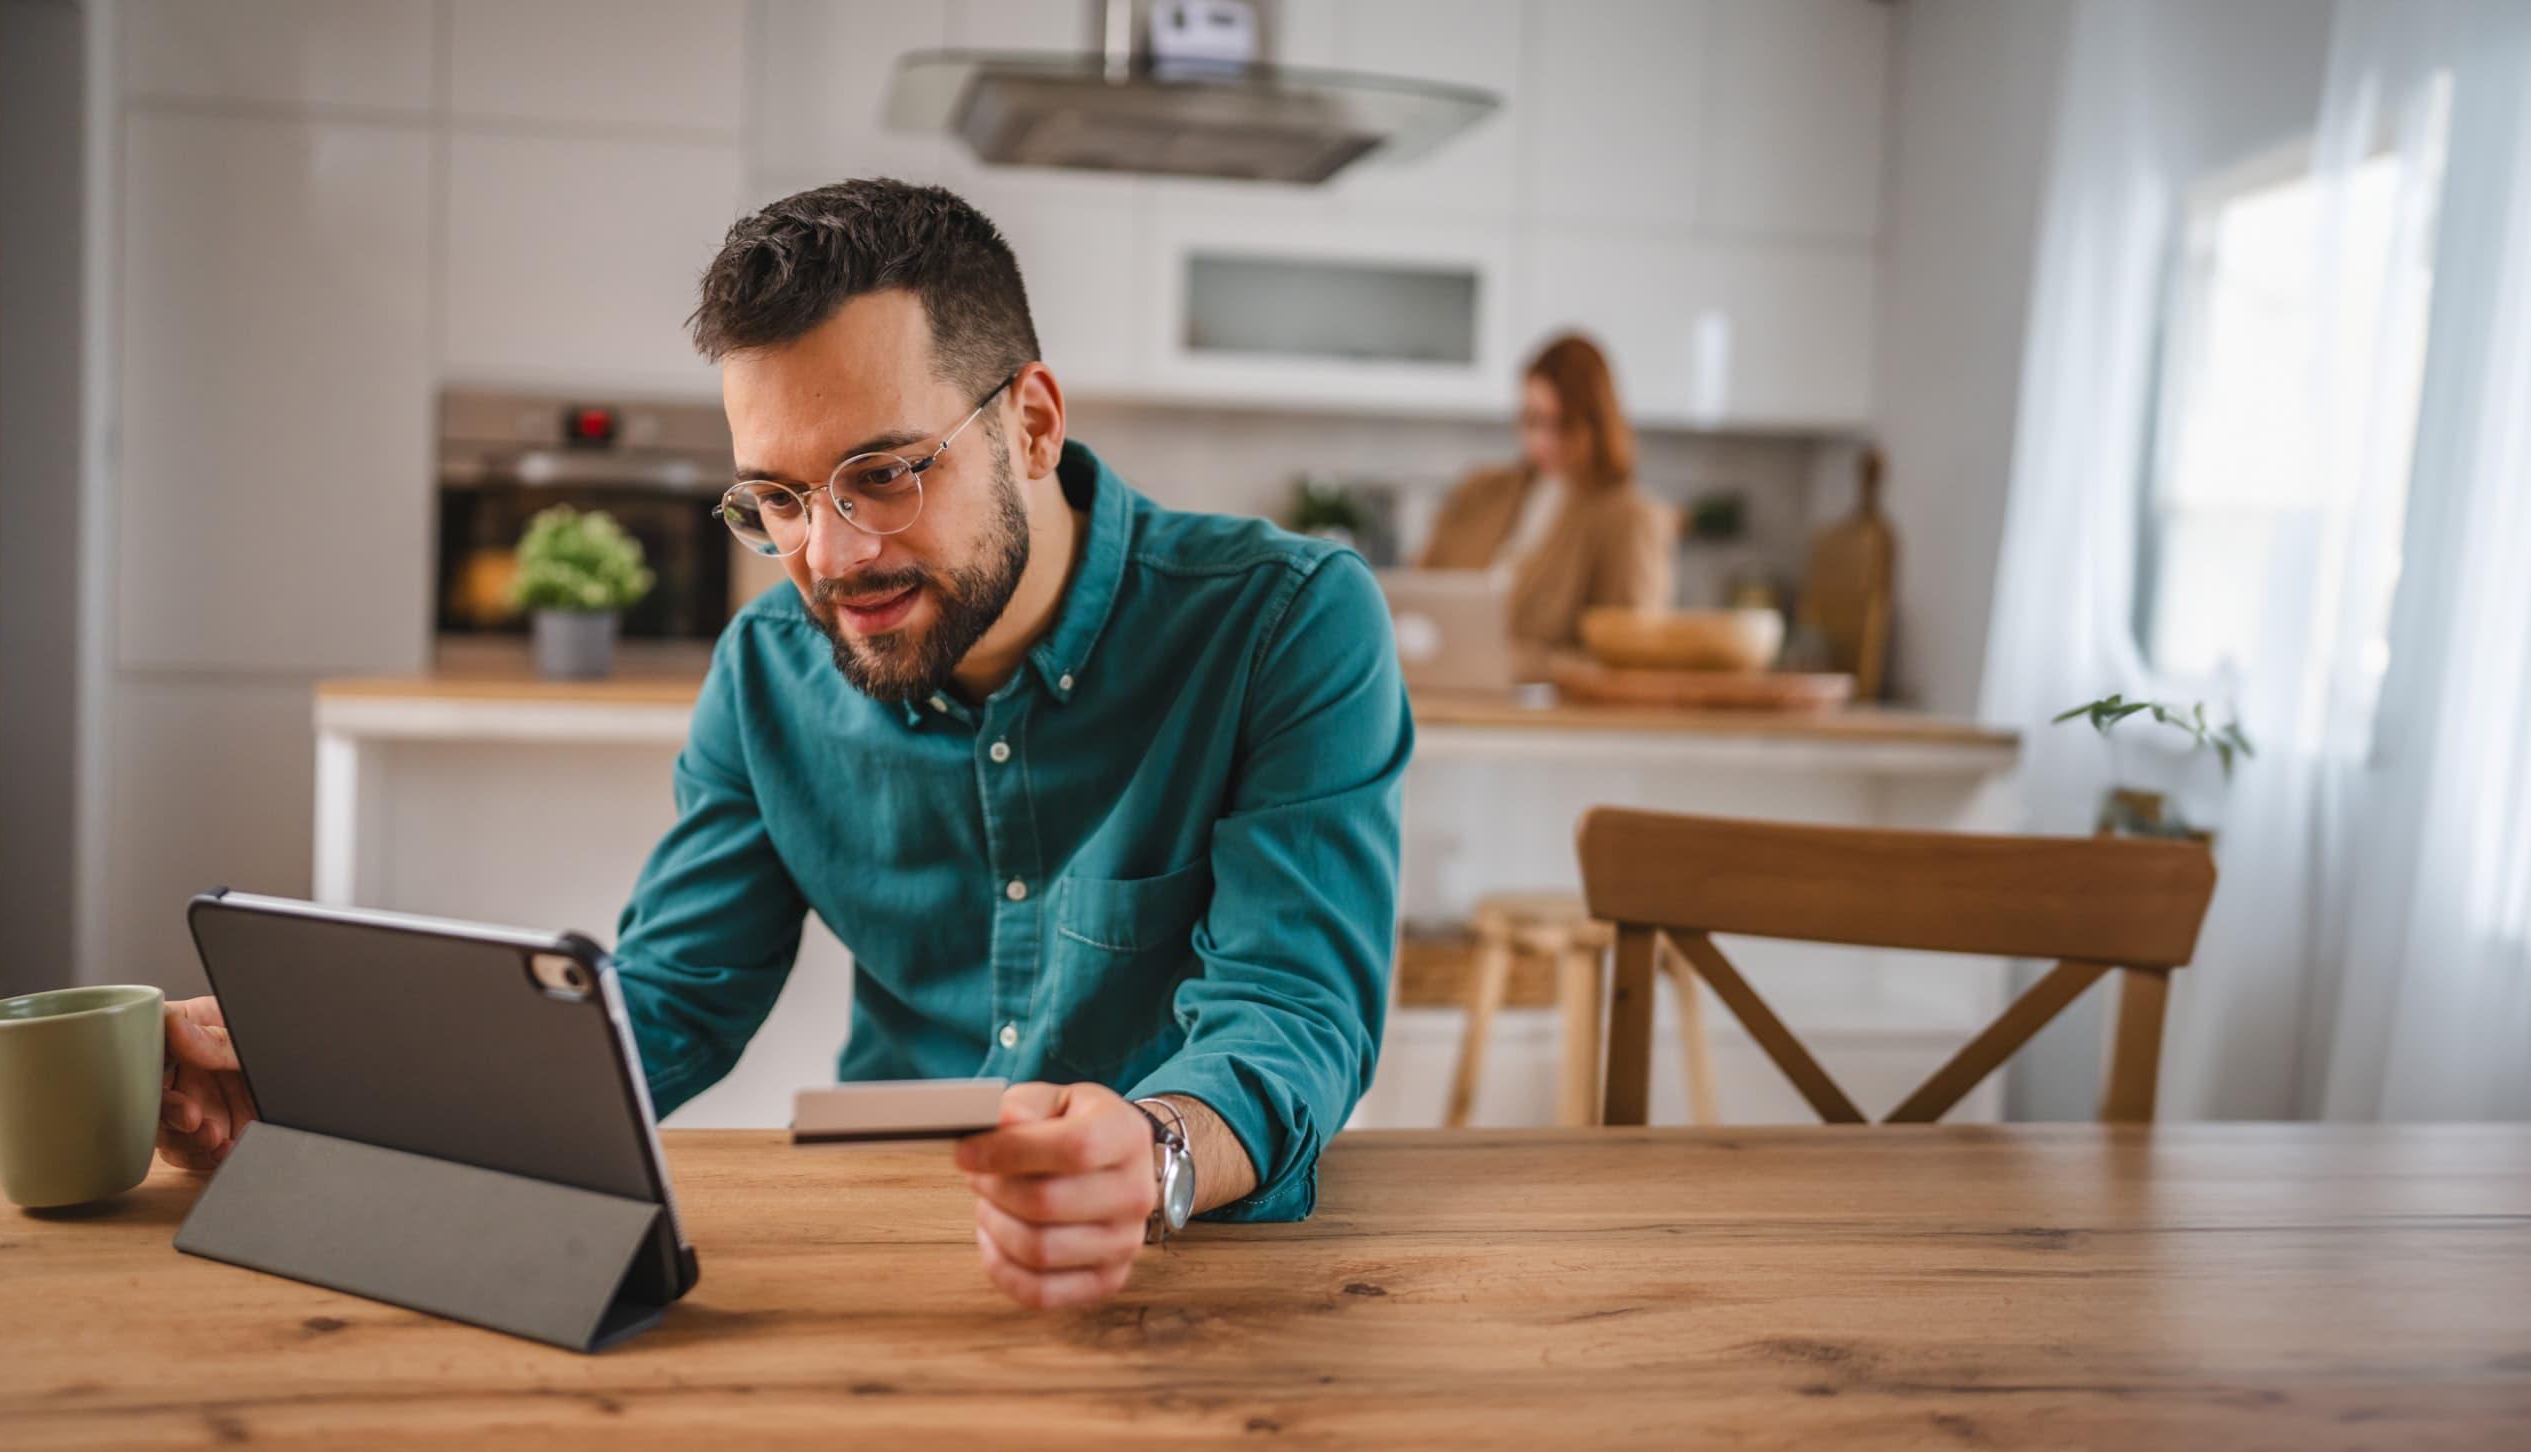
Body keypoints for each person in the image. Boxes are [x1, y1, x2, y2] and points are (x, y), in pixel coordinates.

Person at [153, 178, 1413, 1310]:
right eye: (780, 497)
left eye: (881, 473)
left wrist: (1153, 1155)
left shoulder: (1284, 623)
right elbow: (670, 999)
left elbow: (1292, 1010)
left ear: (1030, 424)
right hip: (882, 1261)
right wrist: (344, 1089)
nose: (831, 554)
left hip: (1198, 1259)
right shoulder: (768, 675)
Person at [1416, 334, 1676, 656]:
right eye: (1532, 420)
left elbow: (1629, 650)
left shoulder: (1628, 517)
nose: (1542, 441)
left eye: (1561, 424)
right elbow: (1418, 593)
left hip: (1549, 704)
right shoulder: (1480, 491)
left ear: (1596, 422)